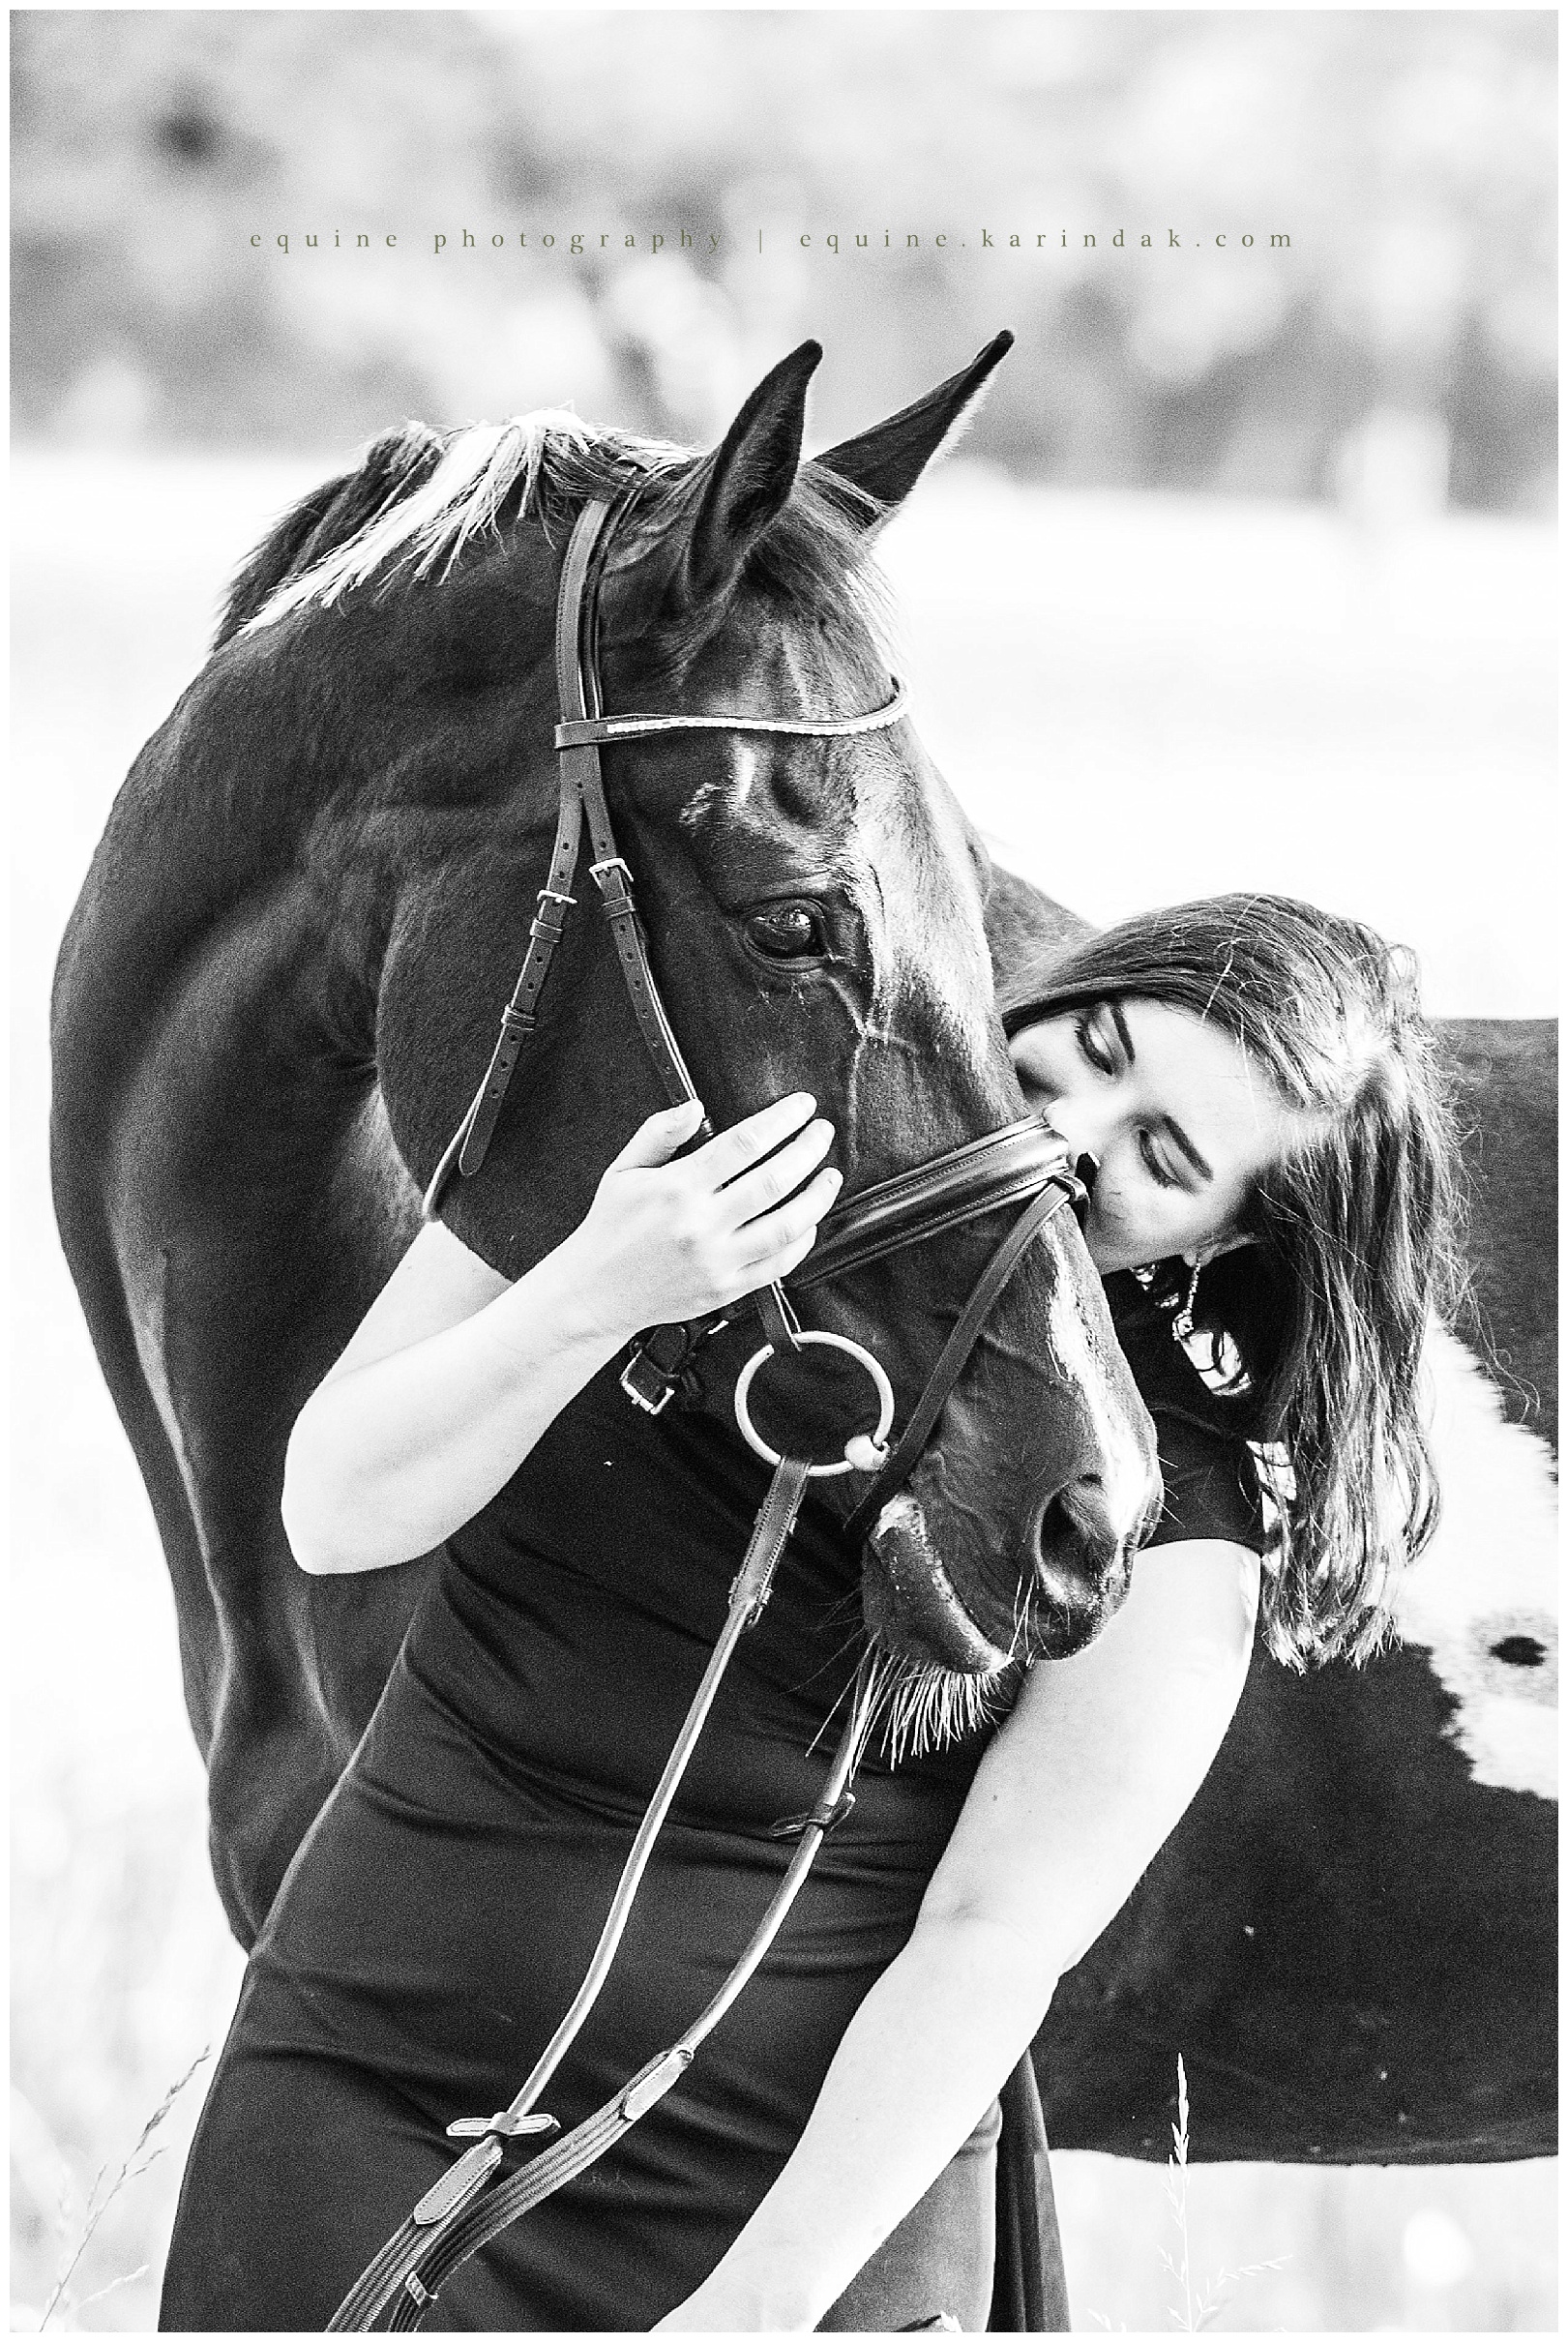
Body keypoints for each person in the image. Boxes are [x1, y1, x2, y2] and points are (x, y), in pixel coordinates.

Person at [159, 893, 1461, 2335]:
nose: (1075, 1126)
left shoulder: (1173, 1513)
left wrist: (760, 2305)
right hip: (362, 2079)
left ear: (1215, 1244)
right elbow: (335, 1508)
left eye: (1162, 1155)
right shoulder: (661, 1146)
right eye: (1090, 1046)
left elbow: (992, 1934)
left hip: (785, 2201)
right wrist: (603, 1283)